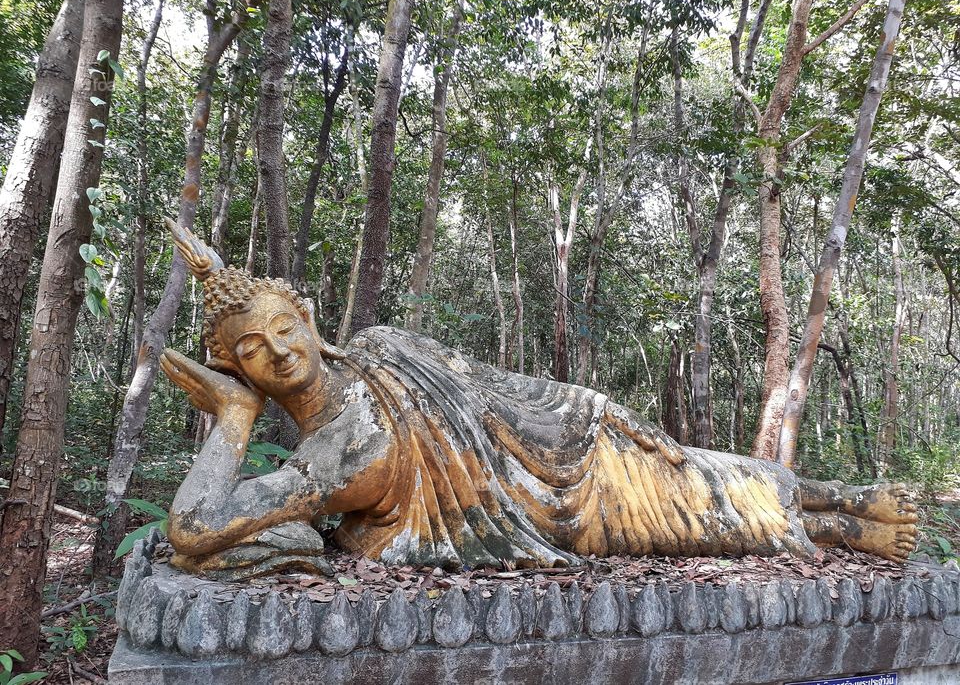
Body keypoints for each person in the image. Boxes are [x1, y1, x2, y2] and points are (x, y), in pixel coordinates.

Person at [160, 222, 917, 580]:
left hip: (561, 438)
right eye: (252, 350)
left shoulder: (382, 349)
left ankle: (836, 496)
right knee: (704, 520)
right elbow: (194, 529)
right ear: (236, 369)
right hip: (560, 513)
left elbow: (488, 381)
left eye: (285, 328)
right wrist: (233, 417)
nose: (279, 351)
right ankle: (845, 526)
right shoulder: (336, 452)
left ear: (309, 319)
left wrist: (586, 406)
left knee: (698, 471)